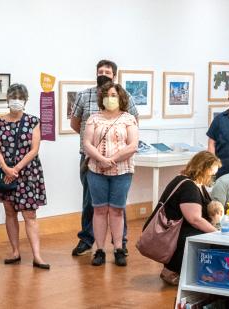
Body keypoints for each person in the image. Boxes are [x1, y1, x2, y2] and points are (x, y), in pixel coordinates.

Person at [68, 59, 137, 257]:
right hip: (90, 158)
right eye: (100, 71)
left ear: (114, 75)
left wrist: (113, 156)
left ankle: (120, 243)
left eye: (107, 71)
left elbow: (132, 125)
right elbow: (75, 124)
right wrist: (95, 149)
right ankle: (88, 240)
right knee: (91, 201)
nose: (103, 74)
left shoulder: (126, 96)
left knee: (117, 205)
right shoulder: (84, 95)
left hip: (120, 162)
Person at [0, 83, 50, 269]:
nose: (16, 101)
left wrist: (14, 170)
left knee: (29, 214)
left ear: (25, 101)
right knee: (9, 212)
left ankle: (37, 256)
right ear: (7, 100)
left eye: (20, 98)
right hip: (5, 172)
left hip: (27, 174)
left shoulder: (33, 121)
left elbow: (34, 150)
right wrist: (6, 168)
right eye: (13, 97)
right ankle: (15, 251)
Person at [82, 82, 140, 267]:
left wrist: (112, 159)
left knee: (116, 210)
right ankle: (99, 250)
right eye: (107, 95)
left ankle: (118, 249)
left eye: (114, 95)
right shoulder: (94, 118)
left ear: (121, 97)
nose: (110, 98)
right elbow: (87, 143)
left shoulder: (128, 118)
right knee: (99, 210)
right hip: (96, 171)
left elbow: (133, 145)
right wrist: (101, 159)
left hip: (122, 171)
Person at [158, 151, 223, 285]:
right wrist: (216, 233)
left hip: (180, 228)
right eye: (211, 174)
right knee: (203, 235)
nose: (212, 177)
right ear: (203, 169)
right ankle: (172, 270)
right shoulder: (188, 186)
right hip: (177, 232)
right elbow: (195, 219)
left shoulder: (194, 183)